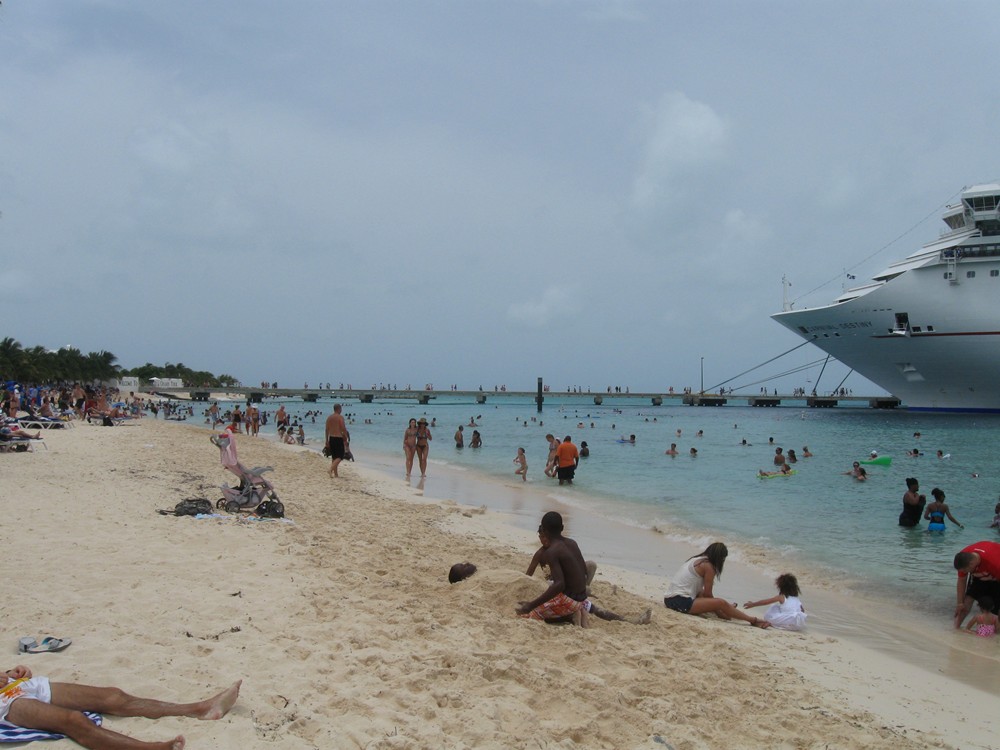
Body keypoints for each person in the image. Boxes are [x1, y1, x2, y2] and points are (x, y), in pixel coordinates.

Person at [0, 664, 240, 750]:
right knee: (73, 721)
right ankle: (150, 749)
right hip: (6, 704)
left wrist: (12, 672)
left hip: (15, 685)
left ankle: (199, 709)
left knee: (113, 697)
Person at [523, 522, 650, 626]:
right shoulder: (541, 554)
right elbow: (527, 576)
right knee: (581, 607)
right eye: (541, 537)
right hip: (556, 590)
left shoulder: (562, 548)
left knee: (594, 608)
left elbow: (575, 571)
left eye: (545, 537)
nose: (543, 540)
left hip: (567, 592)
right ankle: (570, 617)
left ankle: (628, 621)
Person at [663, 542, 770, 628]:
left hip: (669, 600)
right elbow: (708, 594)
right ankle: (752, 620)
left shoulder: (695, 560)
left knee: (708, 598)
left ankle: (729, 609)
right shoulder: (708, 566)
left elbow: (701, 593)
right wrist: (720, 613)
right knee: (721, 603)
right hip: (680, 602)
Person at [954, 541, 1000, 627]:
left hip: (996, 572)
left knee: (995, 609)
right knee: (968, 599)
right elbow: (961, 580)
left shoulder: (994, 563)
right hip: (981, 572)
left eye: (964, 571)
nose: (963, 573)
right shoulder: (963, 558)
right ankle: (956, 628)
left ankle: (995, 636)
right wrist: (959, 603)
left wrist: (993, 578)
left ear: (971, 564)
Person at [324, 403, 348, 478]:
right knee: (340, 456)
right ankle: (330, 469)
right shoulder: (340, 417)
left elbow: (327, 429)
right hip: (338, 438)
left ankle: (336, 474)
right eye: (341, 409)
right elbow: (343, 428)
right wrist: (346, 437)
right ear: (339, 409)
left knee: (334, 457)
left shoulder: (329, 417)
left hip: (331, 438)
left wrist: (327, 440)